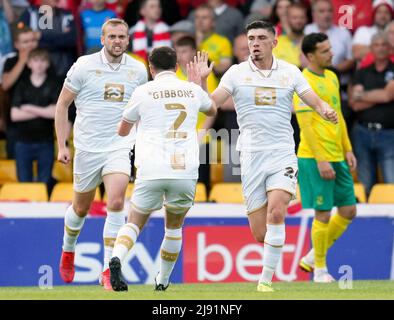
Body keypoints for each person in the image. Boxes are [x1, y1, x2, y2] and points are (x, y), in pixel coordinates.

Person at [193, 20, 338, 292]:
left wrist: (324, 109)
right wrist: (202, 81)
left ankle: (265, 281)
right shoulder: (236, 73)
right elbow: (210, 107)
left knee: (277, 211)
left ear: (274, 42)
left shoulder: (290, 72)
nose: (255, 43)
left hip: (282, 152)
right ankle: (270, 262)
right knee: (261, 233)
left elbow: (312, 98)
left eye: (261, 38)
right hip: (250, 156)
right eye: (251, 38)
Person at [108, 47, 216, 292]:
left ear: (150, 68)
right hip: (184, 169)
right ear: (177, 66)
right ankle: (163, 281)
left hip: (151, 167)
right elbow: (212, 111)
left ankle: (116, 259)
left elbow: (122, 131)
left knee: (134, 222)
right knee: (174, 226)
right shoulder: (192, 90)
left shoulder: (142, 91)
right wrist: (200, 83)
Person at [55, 18, 148, 291]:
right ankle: (68, 248)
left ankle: (108, 269)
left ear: (128, 40)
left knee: (117, 202)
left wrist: (143, 146)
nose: (118, 41)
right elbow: (62, 105)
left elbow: (141, 113)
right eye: (112, 37)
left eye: (122, 37)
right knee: (81, 208)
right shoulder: (84, 66)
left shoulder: (138, 70)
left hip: (119, 146)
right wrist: (63, 145)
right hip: (86, 148)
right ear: (102, 40)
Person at [294, 33, 357, 283]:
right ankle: (319, 270)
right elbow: (306, 126)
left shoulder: (331, 76)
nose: (332, 53)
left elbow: (339, 115)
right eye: (325, 51)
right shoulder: (302, 82)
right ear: (310, 56)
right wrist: (321, 159)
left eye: (330, 48)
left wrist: (348, 148)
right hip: (314, 156)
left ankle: (312, 256)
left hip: (337, 154)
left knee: (349, 210)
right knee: (323, 212)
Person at [349, 31, 394, 196]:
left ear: (390, 48)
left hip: (389, 133)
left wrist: (365, 96)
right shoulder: (362, 72)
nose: (380, 48)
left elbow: (389, 95)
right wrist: (383, 94)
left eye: (384, 45)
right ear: (371, 49)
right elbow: (355, 103)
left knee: (391, 182)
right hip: (363, 133)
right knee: (365, 183)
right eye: (376, 45)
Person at [10, 48, 60, 189]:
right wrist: (44, 110)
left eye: (43, 61)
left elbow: (55, 113)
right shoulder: (22, 84)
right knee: (24, 185)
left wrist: (28, 108)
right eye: (36, 61)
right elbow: (14, 115)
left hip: (45, 142)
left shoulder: (54, 84)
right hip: (22, 143)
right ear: (29, 64)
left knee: (44, 185)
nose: (39, 64)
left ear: (48, 64)